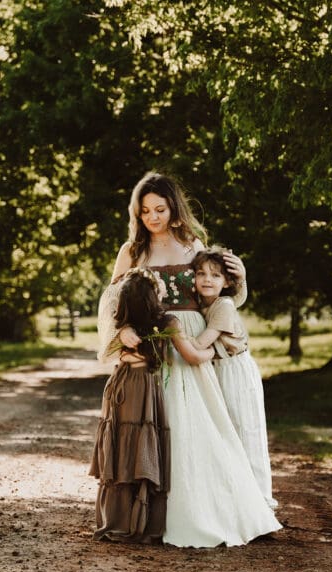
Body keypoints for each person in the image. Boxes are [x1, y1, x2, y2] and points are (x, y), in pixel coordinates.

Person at [97, 172, 281, 548]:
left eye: (160, 209)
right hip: (154, 339)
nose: (153, 217)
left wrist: (241, 279)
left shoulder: (192, 245)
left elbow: (217, 293)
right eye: (145, 210)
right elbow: (112, 302)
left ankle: (208, 510)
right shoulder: (130, 252)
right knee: (157, 423)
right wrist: (121, 335)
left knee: (200, 426)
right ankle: (153, 516)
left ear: (173, 209)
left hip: (191, 338)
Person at [89, 267, 215, 543]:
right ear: (152, 297)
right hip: (144, 386)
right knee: (142, 446)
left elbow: (105, 350)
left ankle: (116, 520)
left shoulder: (122, 324)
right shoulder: (167, 322)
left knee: (123, 446)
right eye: (158, 288)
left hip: (121, 383)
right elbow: (192, 356)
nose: (163, 291)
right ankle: (141, 523)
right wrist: (212, 350)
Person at [190, 247, 277, 509]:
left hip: (235, 369)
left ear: (227, 282)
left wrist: (171, 337)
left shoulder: (224, 305)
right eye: (201, 273)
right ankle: (231, 501)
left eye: (215, 275)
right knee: (222, 432)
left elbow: (200, 343)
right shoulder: (200, 305)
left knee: (244, 429)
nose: (207, 279)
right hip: (215, 370)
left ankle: (261, 502)